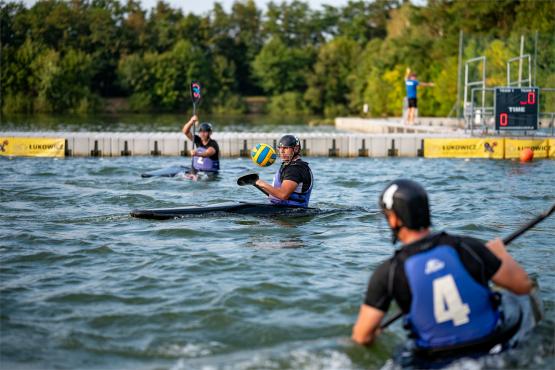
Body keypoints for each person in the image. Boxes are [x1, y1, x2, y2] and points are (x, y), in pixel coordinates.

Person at [352, 179, 532, 362]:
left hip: (435, 360)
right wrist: (501, 254)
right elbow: (523, 286)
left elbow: (361, 337)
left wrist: (376, 332)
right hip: (490, 352)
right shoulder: (468, 247)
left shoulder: (387, 273)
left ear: (394, 219)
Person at [254, 135, 313, 208]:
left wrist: (261, 183)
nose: (282, 151)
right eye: (280, 148)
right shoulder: (289, 166)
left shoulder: (295, 169)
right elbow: (277, 194)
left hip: (291, 213)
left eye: (286, 148)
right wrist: (255, 183)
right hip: (283, 210)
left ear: (296, 149)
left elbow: (283, 195)